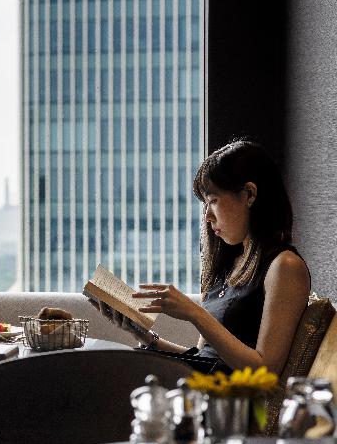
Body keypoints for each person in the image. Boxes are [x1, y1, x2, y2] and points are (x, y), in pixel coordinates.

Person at [42, 140, 310, 374]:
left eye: (213, 200)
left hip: (226, 401)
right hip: (199, 387)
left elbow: (266, 371)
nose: (207, 216)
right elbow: (204, 359)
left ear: (249, 194)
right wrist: (145, 336)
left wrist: (195, 314)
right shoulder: (231, 264)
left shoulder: (284, 266)